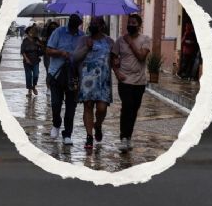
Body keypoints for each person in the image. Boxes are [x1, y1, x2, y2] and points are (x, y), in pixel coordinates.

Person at [73, 16, 115, 150]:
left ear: (102, 26)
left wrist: (117, 64)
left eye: (96, 23)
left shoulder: (109, 41)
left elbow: (114, 59)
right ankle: (89, 137)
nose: (93, 25)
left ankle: (98, 125)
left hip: (103, 80)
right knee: (88, 106)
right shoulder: (84, 40)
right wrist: (86, 48)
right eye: (92, 23)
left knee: (102, 108)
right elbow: (75, 58)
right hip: (87, 80)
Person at [111, 14, 151, 152]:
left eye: (134, 23)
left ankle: (128, 137)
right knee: (127, 107)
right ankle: (123, 138)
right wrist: (117, 72)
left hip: (139, 82)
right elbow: (112, 58)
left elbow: (141, 56)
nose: (131, 25)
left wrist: (130, 42)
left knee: (134, 110)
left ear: (139, 26)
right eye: (129, 22)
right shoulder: (120, 41)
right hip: (125, 80)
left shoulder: (145, 39)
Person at [46, 14, 83, 145]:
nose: (74, 22)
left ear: (80, 22)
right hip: (56, 74)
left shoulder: (82, 37)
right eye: (73, 19)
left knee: (71, 107)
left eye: (77, 20)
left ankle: (67, 134)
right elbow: (48, 50)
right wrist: (61, 53)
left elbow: (84, 57)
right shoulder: (58, 32)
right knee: (56, 104)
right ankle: (56, 124)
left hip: (73, 77)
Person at [21, 25, 43, 96]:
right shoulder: (25, 41)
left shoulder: (37, 40)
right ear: (28, 32)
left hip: (36, 60)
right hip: (27, 61)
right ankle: (30, 90)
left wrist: (40, 45)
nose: (32, 33)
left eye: (33, 31)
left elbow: (43, 48)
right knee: (28, 75)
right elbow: (22, 51)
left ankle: (34, 87)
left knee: (36, 75)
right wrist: (26, 59)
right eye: (30, 31)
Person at [42, 21, 60, 96]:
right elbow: (44, 47)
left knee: (58, 71)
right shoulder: (46, 38)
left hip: (57, 56)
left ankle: (57, 87)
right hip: (47, 56)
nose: (53, 29)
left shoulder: (60, 37)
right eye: (52, 28)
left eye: (55, 28)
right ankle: (48, 87)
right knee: (49, 71)